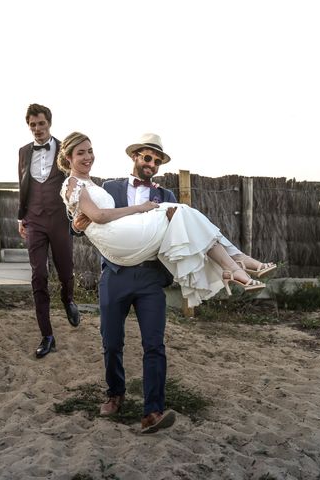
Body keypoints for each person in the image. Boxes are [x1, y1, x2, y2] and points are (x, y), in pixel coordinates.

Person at [58, 132, 274, 433]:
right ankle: (115, 394)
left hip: (150, 277)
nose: (151, 164)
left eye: (157, 161)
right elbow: (89, 219)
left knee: (155, 345)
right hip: (116, 275)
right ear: (135, 157)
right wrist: (76, 225)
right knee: (111, 342)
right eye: (147, 157)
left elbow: (183, 237)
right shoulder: (109, 187)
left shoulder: (167, 197)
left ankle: (153, 412)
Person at [17, 104, 80, 359]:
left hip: (59, 219)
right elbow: (22, 183)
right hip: (34, 220)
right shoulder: (23, 152)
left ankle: (68, 300)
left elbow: (76, 177)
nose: (37, 129)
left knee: (65, 270)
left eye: (40, 124)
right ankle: (47, 336)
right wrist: (21, 216)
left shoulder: (64, 149)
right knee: (38, 275)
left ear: (49, 123)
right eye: (32, 125)